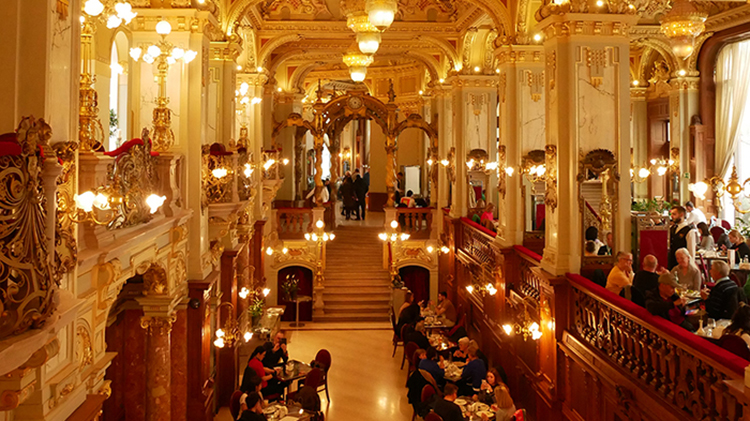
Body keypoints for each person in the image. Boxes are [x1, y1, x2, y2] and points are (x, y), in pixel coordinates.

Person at [668, 206, 698, 270]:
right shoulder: (672, 228)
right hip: (672, 262)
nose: (672, 216)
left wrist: (690, 266)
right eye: (671, 214)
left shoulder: (689, 231)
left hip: (683, 264)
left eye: (674, 214)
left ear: (681, 214)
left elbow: (691, 251)